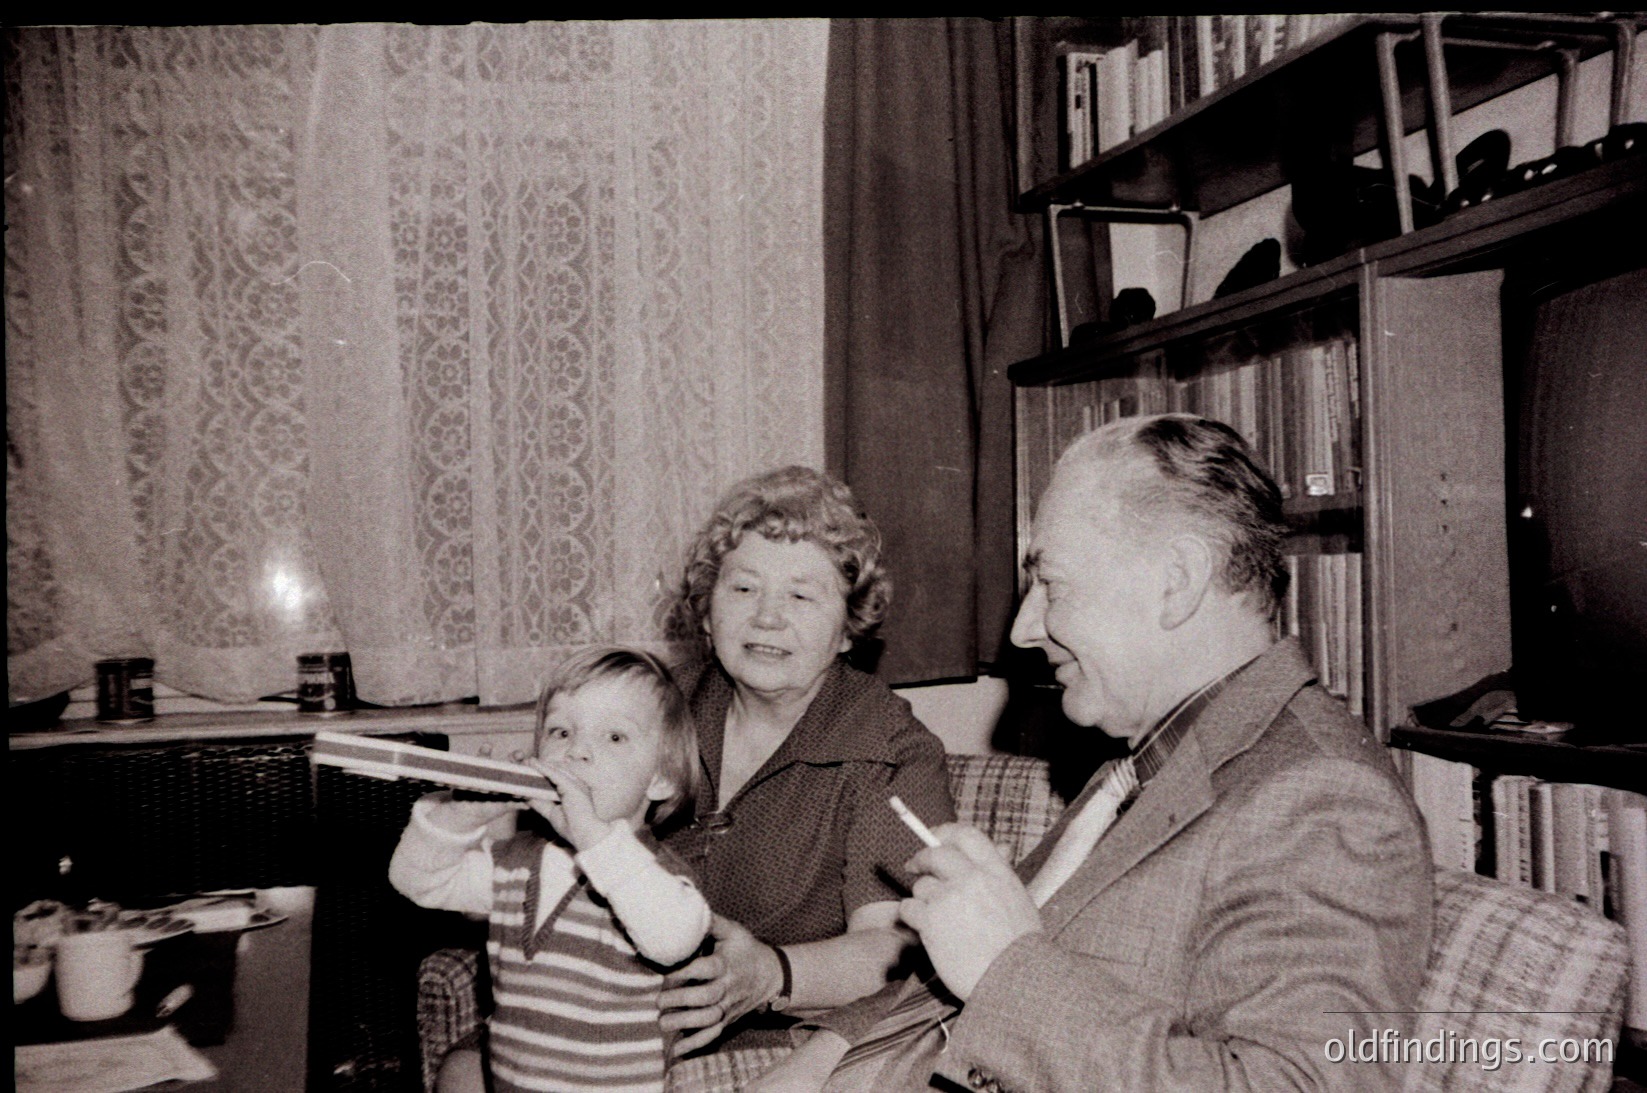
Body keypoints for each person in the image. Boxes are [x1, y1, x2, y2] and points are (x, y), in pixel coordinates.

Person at [816, 413, 1434, 1091]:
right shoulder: (1151, 761)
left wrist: (1005, 967)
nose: (1023, 629)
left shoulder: (1320, 795)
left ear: (1177, 579)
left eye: (1050, 583)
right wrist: (811, 1068)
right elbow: (943, 996)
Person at [656, 466, 957, 1079]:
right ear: (708, 614)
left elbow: (895, 950)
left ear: (848, 628)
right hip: (623, 1015)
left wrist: (772, 972)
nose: (767, 618)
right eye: (743, 590)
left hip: (779, 1043)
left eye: (800, 595)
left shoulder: (893, 749)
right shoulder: (658, 708)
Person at [388, 646, 710, 1093]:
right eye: (560, 731)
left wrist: (595, 838)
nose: (576, 751)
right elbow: (417, 881)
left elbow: (673, 939)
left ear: (662, 779)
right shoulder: (516, 863)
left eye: (614, 737)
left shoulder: (651, 876)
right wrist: (460, 814)